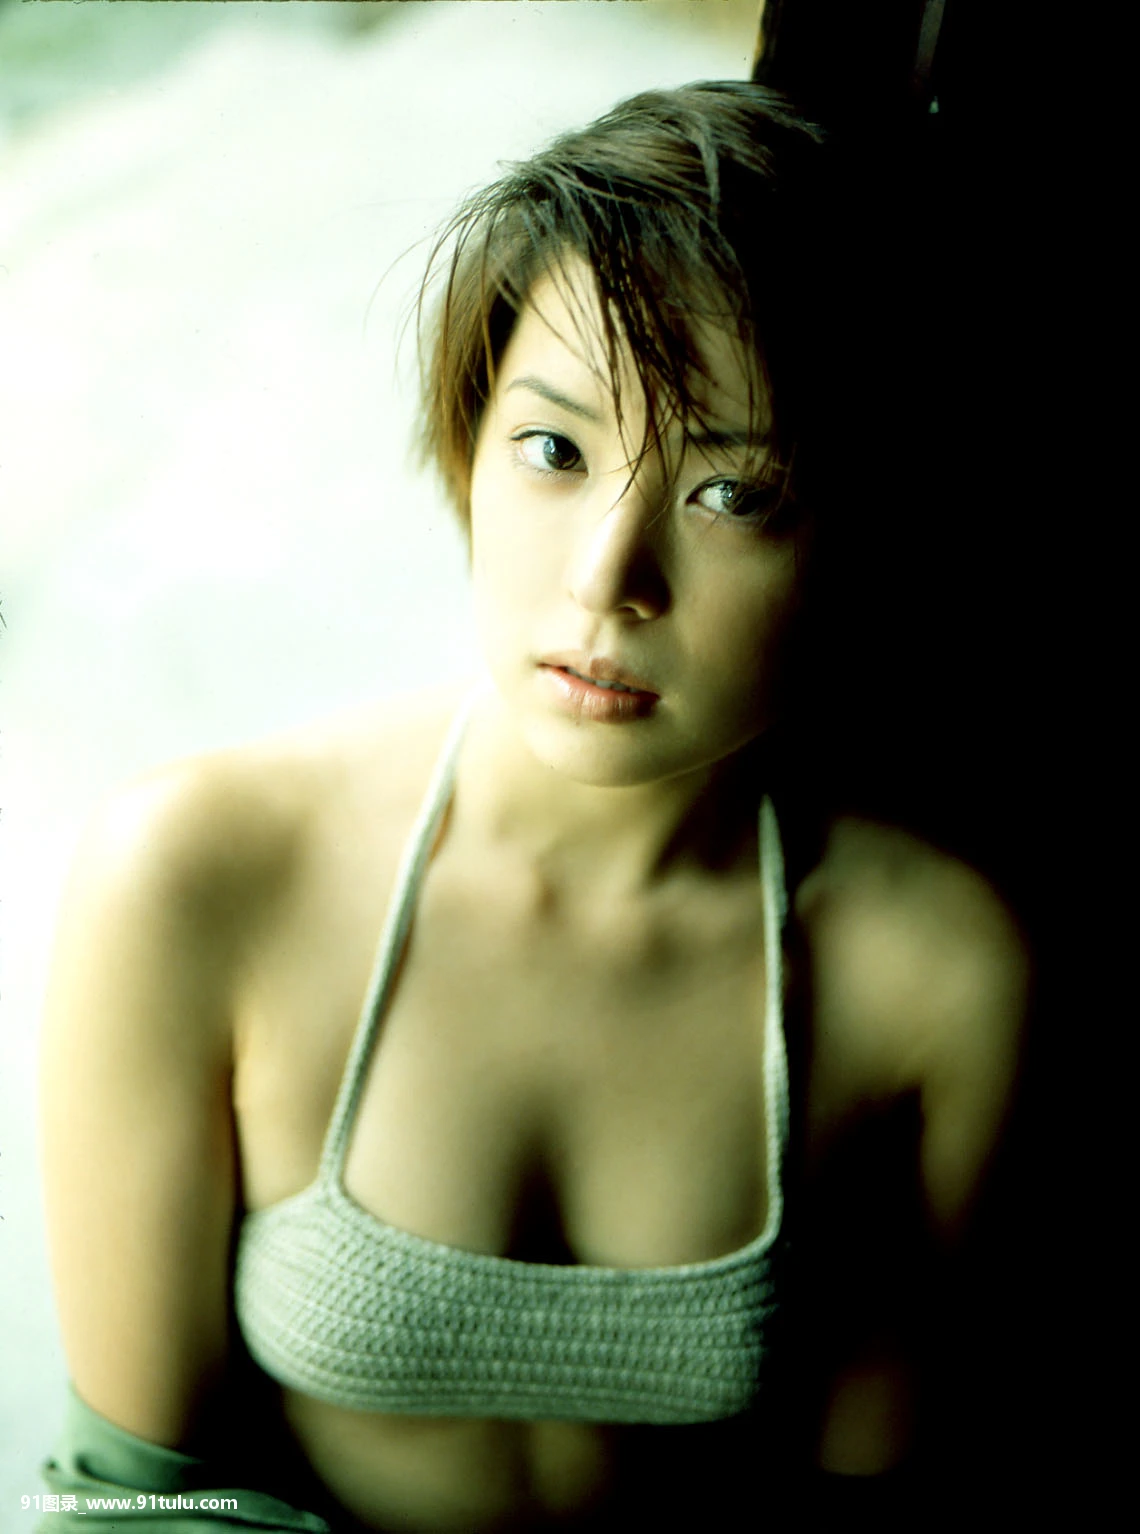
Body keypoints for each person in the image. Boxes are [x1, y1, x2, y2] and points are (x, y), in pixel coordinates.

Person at [39, 82, 1027, 1532]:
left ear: (860, 533)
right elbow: (132, 1501)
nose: (604, 581)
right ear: (469, 444)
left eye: (734, 494)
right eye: (555, 451)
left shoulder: (929, 973)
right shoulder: (202, 874)